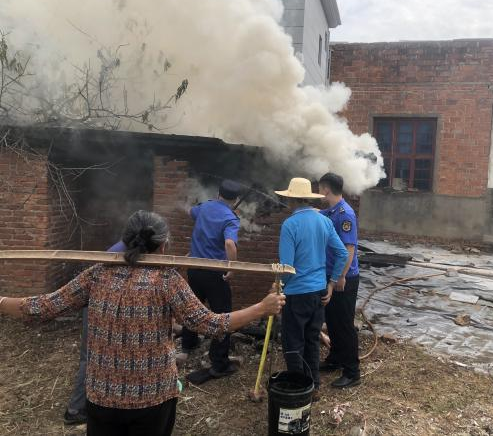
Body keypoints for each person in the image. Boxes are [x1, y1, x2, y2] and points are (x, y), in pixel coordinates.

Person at [0, 210, 285, 436]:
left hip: (103, 398)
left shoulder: (97, 275)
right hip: (152, 400)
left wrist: (0, 301)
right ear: (163, 245)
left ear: (124, 241)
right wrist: (262, 307)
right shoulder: (167, 280)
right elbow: (210, 324)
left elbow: (40, 308)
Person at [276, 178, 348, 401]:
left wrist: (279, 289)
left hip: (296, 294)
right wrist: (331, 283)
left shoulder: (290, 224)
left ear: (291, 200)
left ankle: (299, 388)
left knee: (293, 342)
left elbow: (287, 267)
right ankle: (314, 385)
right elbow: (343, 254)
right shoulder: (324, 221)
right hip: (318, 293)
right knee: (312, 339)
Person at [181, 180, 242, 385]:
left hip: (195, 269)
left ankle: (188, 345)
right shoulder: (231, 218)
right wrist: (231, 267)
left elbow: (191, 212)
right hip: (215, 273)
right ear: (234, 201)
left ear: (218, 193)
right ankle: (219, 362)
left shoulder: (204, 207)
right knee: (222, 314)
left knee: (192, 306)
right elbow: (229, 243)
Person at [64, 240, 126, 425]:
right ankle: (74, 410)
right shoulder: (130, 252)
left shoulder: (123, 246)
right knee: (90, 357)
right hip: (98, 306)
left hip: (98, 304)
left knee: (94, 356)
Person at [318, 173, 361, 389]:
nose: (319, 192)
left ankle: (352, 372)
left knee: (344, 324)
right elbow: (323, 214)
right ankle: (335, 359)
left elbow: (349, 249)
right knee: (332, 320)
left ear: (326, 189)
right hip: (332, 274)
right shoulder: (332, 211)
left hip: (345, 278)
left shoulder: (346, 215)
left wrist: (340, 277)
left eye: (319, 188)